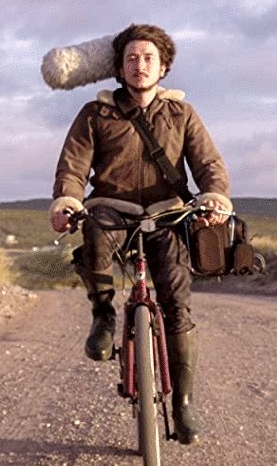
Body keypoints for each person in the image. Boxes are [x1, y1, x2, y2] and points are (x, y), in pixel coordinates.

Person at [49, 23, 231, 445]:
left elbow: (208, 163)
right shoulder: (96, 113)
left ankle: (183, 403)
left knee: (177, 305)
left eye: (149, 58)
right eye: (131, 58)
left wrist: (214, 197)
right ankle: (103, 316)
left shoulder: (182, 114)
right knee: (93, 233)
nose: (140, 65)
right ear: (120, 67)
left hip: (168, 213)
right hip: (112, 208)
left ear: (163, 66)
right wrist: (67, 201)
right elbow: (73, 167)